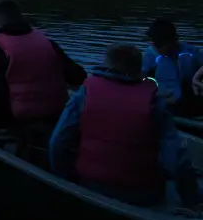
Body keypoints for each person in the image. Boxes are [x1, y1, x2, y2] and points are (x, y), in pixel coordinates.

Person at [50, 44, 200, 209]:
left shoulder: (85, 94)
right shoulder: (155, 102)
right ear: (138, 70)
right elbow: (176, 162)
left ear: (108, 66)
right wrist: (192, 200)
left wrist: (67, 179)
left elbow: (57, 143)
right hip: (143, 194)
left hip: (90, 185)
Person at [0, 0, 85, 140]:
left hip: (19, 117)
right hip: (55, 112)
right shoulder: (48, 43)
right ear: (22, 17)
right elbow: (78, 76)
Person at [142, 19, 203, 116]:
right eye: (155, 43)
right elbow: (141, 81)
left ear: (173, 40)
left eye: (161, 44)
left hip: (192, 99)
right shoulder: (149, 56)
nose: (157, 47)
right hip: (166, 104)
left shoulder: (191, 51)